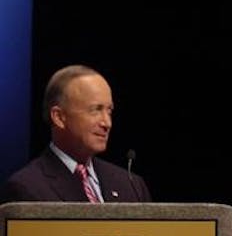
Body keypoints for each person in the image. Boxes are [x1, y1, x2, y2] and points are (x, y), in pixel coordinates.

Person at [1, 64, 152, 203]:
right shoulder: (27, 188)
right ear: (59, 117)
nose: (107, 123)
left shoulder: (131, 185)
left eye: (109, 111)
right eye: (95, 110)